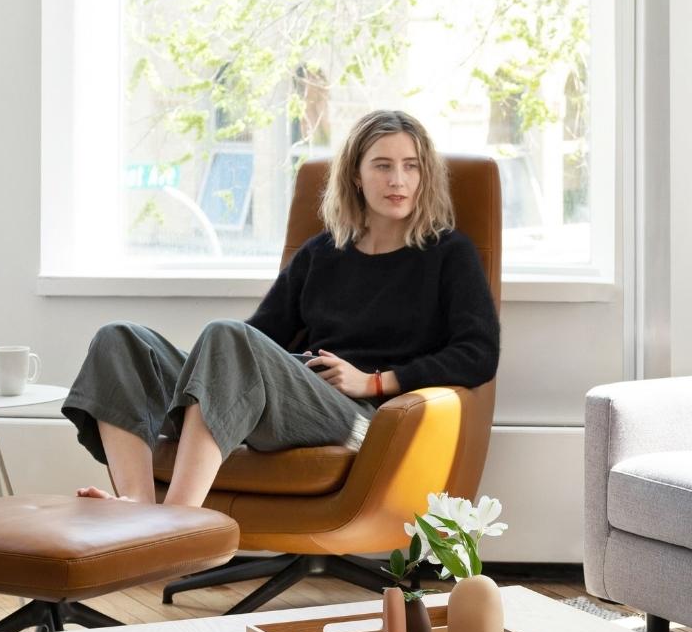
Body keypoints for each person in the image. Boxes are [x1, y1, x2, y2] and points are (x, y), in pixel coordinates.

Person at [63, 109, 499, 505]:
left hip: (362, 419)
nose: (397, 181)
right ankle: (137, 508)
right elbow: (259, 335)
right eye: (382, 166)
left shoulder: (448, 254)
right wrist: (183, 374)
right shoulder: (321, 254)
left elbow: (478, 353)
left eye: (411, 166)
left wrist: (375, 383)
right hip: (295, 393)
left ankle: (178, 520)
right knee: (119, 340)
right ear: (356, 176)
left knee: (226, 335)